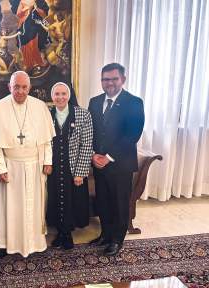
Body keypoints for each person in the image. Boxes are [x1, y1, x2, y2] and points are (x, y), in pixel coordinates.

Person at [0, 70, 55, 258]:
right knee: (9, 207)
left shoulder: (40, 107)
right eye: (16, 86)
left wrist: (47, 161)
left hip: (35, 166)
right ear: (9, 86)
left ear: (30, 88)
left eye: (24, 87)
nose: (20, 91)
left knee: (33, 206)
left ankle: (34, 242)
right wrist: (0, 168)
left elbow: (46, 141)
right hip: (10, 166)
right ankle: (5, 243)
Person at [88, 63, 145, 256]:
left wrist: (109, 157)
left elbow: (132, 135)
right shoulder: (94, 102)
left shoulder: (134, 102)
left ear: (123, 79)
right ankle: (105, 234)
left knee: (119, 203)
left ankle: (116, 240)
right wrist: (93, 154)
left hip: (120, 164)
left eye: (114, 78)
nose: (109, 83)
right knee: (103, 202)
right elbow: (91, 132)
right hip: (98, 163)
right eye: (105, 79)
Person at [47, 82, 93, 250]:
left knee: (71, 199)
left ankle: (67, 234)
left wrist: (80, 172)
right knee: (56, 198)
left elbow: (87, 145)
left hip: (73, 166)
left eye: (63, 94)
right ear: (52, 97)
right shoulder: (47, 114)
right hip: (53, 166)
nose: (60, 97)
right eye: (56, 94)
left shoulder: (83, 114)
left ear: (69, 95)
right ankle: (60, 232)